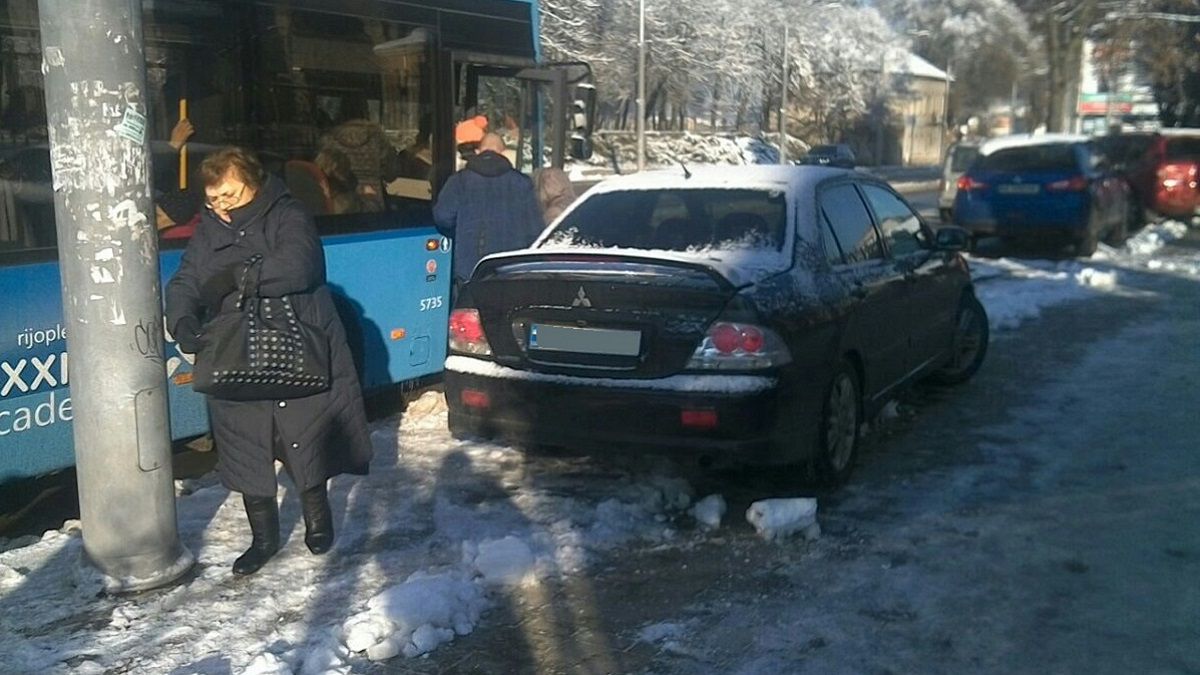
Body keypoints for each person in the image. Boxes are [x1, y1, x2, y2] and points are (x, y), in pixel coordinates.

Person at [165, 146, 373, 576]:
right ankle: (263, 540)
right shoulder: (209, 228)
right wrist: (181, 317)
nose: (221, 207)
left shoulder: (288, 213)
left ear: (254, 183)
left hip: (296, 344)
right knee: (244, 443)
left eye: (230, 196)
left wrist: (236, 276)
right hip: (234, 350)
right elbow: (187, 277)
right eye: (213, 199)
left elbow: (299, 266)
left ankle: (318, 519)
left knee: (304, 435)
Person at [433, 132, 544, 287]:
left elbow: (442, 217)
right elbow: (535, 230)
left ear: (478, 151)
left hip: (471, 270)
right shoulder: (522, 183)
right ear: (503, 153)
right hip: (510, 271)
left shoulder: (459, 181)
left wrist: (462, 231)